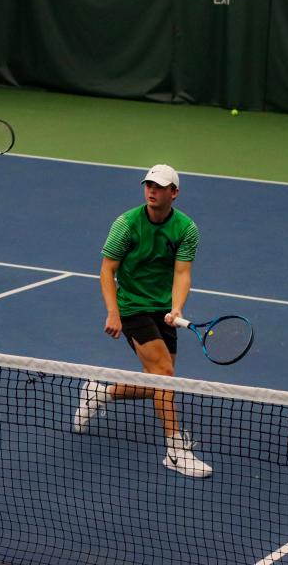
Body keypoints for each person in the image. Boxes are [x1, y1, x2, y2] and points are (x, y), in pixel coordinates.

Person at [73, 164, 212, 478]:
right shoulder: (126, 225)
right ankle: (175, 450)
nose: (152, 190)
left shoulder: (186, 229)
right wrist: (113, 312)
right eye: (149, 185)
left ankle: (100, 393)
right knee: (164, 374)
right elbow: (107, 270)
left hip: (162, 309)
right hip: (132, 306)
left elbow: (182, 273)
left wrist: (177, 308)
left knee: (161, 382)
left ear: (174, 193)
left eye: (160, 187)